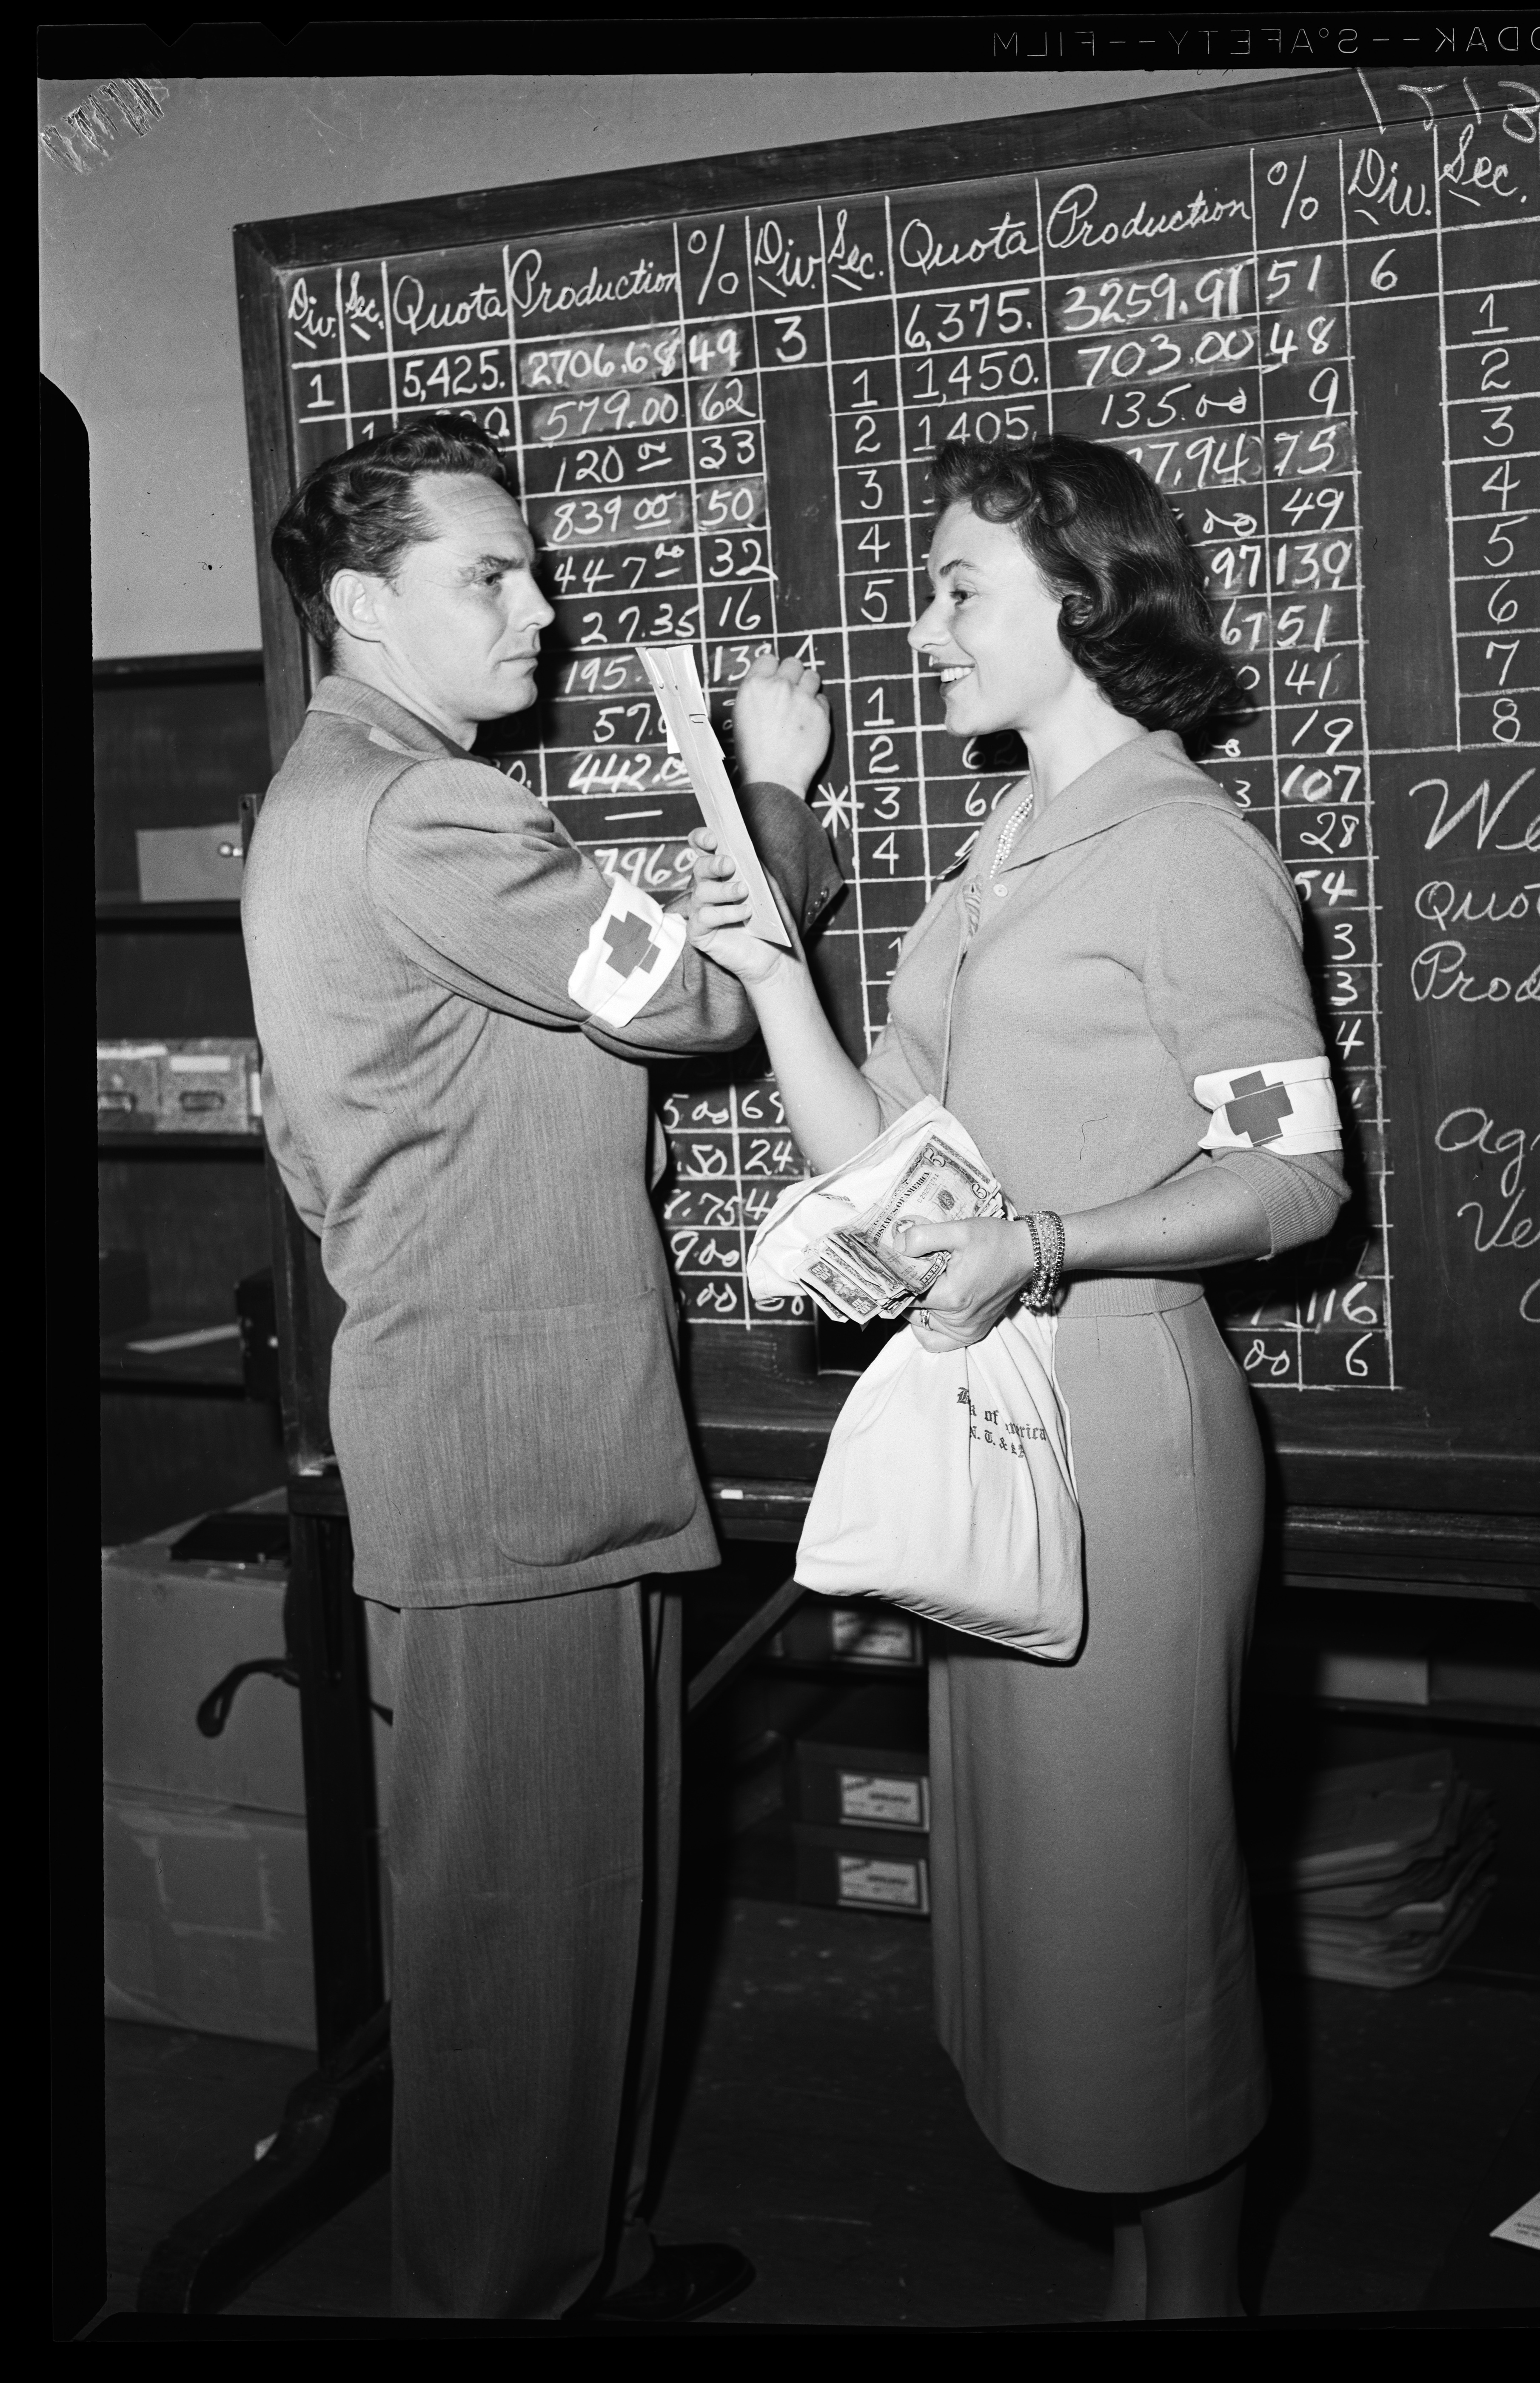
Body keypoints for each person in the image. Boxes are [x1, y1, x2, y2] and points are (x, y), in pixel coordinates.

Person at [686, 434, 1349, 2320]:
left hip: (1124, 1422)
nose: (920, 627)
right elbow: (886, 1150)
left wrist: (1049, 1242)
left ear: (1081, 598)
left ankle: (1193, 2299)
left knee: (1143, 1915)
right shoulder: (998, 854)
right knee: (1065, 1920)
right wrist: (780, 980)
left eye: (959, 589)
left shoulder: (1191, 850)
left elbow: (1295, 1181)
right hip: (1002, 1415)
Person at [242, 416, 840, 2322]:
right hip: (515, 1451)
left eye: (534, 567)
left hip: (508, 1430)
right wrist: (776, 791)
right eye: (488, 577)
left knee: (586, 1915)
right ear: (363, 604)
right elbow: (694, 997)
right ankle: (508, 2295)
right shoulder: (428, 810)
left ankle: (584, 2260)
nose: (547, 607)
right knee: (522, 1942)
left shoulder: (345, 795)